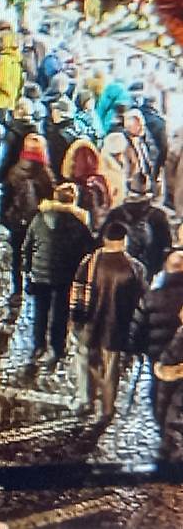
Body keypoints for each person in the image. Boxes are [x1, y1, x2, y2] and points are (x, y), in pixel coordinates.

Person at [71, 220, 145, 423]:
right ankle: (107, 408)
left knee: (86, 360)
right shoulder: (134, 268)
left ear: (104, 239)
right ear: (124, 241)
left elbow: (77, 291)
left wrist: (75, 321)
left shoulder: (90, 261)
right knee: (111, 367)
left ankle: (86, 399)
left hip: (90, 323)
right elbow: (140, 301)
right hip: (116, 327)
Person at [24, 183, 95, 364]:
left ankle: (38, 345)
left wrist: (28, 269)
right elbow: (89, 249)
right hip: (64, 275)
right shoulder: (78, 223)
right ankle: (57, 347)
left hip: (39, 273)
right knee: (60, 313)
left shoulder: (39, 218)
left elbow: (27, 246)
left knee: (40, 311)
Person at [129, 251, 183, 429]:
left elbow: (137, 327)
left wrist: (136, 349)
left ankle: (162, 426)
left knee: (157, 393)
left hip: (156, 357)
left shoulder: (152, 297)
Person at [1, 134, 54, 302]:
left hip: (17, 221)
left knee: (17, 255)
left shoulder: (15, 171)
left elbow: (6, 198)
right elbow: (50, 199)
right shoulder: (45, 174)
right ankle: (32, 283)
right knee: (35, 254)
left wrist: (5, 218)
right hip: (38, 221)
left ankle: (17, 290)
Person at [103, 172, 172, 280]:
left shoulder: (115, 214)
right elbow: (166, 247)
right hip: (149, 274)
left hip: (119, 274)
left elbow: (101, 243)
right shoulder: (159, 216)